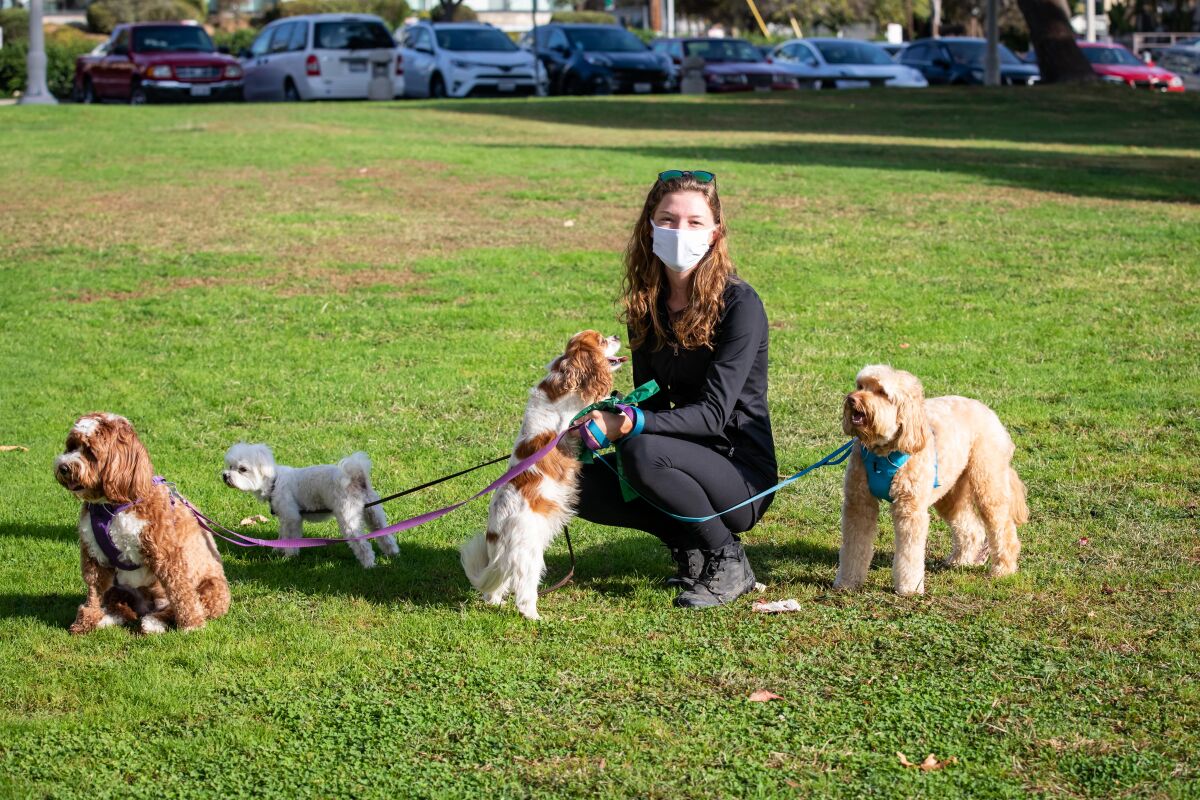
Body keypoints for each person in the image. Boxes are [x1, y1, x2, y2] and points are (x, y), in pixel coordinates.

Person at [575, 169, 777, 609]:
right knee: (575, 479)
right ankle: (690, 545)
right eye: (667, 220)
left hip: (741, 473)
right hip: (680, 455)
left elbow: (712, 415)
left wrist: (628, 424)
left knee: (641, 451)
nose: (679, 231)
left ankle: (728, 558)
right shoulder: (645, 306)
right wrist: (596, 419)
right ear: (649, 227)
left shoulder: (741, 305)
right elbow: (648, 396)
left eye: (694, 222)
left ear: (716, 232)